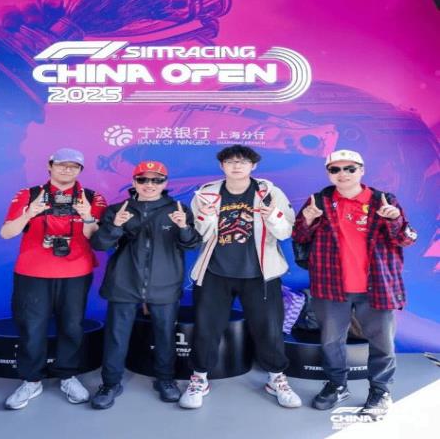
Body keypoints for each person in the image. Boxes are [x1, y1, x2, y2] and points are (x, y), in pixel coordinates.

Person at [292, 149, 417, 420]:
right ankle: (337, 385)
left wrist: (394, 218)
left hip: (376, 286)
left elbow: (406, 239)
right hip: (330, 286)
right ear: (329, 173)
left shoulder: (383, 200)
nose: (343, 174)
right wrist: (309, 219)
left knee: (382, 343)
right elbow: (299, 236)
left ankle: (380, 391)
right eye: (335, 169)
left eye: (350, 168)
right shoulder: (319, 201)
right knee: (330, 341)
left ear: (361, 170)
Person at [179, 145, 301, 409]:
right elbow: (199, 235)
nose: (236, 166)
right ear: (221, 166)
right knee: (207, 328)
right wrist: (207, 217)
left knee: (269, 329)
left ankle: (276, 378)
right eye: (230, 161)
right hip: (215, 272)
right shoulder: (207, 193)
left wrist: (273, 216)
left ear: (253, 166)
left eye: (243, 161)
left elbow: (285, 232)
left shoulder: (270, 193)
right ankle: (199, 378)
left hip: (261, 274)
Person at [0, 148, 107, 409]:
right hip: (33, 273)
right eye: (61, 165)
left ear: (80, 170)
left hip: (76, 272)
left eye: (74, 166)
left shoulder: (91, 197)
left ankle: (67, 375)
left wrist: (86, 215)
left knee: (72, 326)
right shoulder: (29, 195)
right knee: (31, 327)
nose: (67, 170)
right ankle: (31, 380)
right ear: (50, 166)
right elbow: (6, 233)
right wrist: (30, 213)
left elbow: (97, 238)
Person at [90, 161, 201, 409]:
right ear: (134, 182)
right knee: (116, 337)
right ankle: (110, 383)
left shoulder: (178, 210)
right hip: (124, 283)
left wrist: (183, 227)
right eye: (143, 179)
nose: (149, 185)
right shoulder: (118, 209)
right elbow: (99, 244)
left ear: (165, 183)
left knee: (165, 335)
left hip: (165, 284)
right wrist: (116, 225)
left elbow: (192, 244)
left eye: (156, 180)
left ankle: (165, 380)